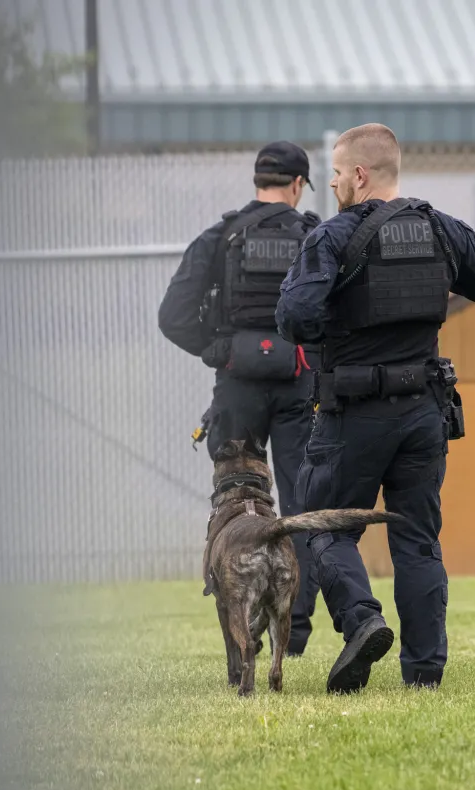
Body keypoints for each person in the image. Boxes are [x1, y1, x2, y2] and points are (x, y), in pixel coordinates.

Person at [275, 123, 475, 694]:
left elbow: (295, 318)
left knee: (326, 528)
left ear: (359, 175)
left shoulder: (332, 237)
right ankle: (425, 672)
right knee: (418, 541)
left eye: (335, 174)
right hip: (423, 412)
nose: (331, 184)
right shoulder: (440, 227)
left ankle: (362, 621)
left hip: (352, 414)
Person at [158, 140, 326, 657]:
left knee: (236, 504)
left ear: (258, 181)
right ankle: (292, 629)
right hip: (301, 385)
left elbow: (173, 316)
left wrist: (221, 351)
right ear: (298, 185)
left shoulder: (221, 236)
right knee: (301, 505)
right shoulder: (314, 236)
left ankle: (240, 622)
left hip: (237, 388)